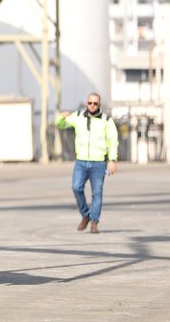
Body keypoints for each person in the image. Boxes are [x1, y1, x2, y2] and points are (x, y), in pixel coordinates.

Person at [56, 92, 119, 234]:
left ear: (99, 105)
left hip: (99, 163)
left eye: (95, 103)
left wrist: (112, 160)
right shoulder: (78, 116)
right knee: (76, 187)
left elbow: (113, 141)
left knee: (97, 193)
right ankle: (85, 214)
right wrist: (62, 117)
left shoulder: (106, 120)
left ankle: (94, 222)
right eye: (90, 103)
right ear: (87, 103)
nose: (92, 105)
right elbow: (60, 125)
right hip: (81, 161)